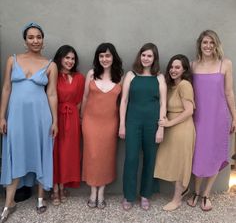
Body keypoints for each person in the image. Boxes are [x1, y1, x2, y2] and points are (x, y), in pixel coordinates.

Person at [0, 22, 58, 223]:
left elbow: (51, 94)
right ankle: (9, 202)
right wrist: (1, 116)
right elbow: (6, 88)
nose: (35, 40)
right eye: (31, 37)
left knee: (41, 151)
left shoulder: (51, 65)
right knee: (15, 153)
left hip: (41, 117)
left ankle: (41, 198)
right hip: (16, 116)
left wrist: (55, 121)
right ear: (25, 40)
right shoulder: (12, 60)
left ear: (43, 39)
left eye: (39, 37)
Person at [187, 30, 236, 211]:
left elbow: (229, 92)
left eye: (211, 43)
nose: (208, 46)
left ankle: (206, 194)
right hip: (198, 117)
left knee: (214, 154)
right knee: (198, 155)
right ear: (200, 45)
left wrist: (235, 116)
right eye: (205, 42)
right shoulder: (193, 65)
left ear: (216, 45)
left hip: (218, 117)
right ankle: (196, 191)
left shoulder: (225, 64)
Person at [119, 43, 166, 211]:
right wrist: (122, 124)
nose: (146, 58)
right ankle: (129, 195)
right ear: (140, 56)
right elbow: (124, 101)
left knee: (150, 158)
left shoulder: (159, 77)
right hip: (133, 122)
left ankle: (145, 194)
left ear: (154, 59)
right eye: (144, 55)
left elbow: (163, 104)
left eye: (150, 56)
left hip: (152, 124)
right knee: (131, 158)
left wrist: (161, 128)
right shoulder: (131, 75)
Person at [81, 43, 123, 209]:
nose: (105, 59)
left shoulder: (120, 77)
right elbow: (85, 98)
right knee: (92, 155)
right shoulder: (91, 74)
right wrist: (81, 118)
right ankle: (92, 191)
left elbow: (123, 102)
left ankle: (101, 193)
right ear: (97, 58)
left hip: (110, 123)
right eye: (101, 56)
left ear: (113, 57)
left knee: (106, 156)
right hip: (90, 122)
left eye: (108, 56)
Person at [154, 54, 195, 211]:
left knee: (179, 164)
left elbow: (189, 111)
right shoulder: (170, 85)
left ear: (184, 69)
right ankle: (183, 190)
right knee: (166, 161)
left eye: (177, 67)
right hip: (171, 129)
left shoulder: (184, 85)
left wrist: (168, 123)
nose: (173, 70)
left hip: (182, 128)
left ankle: (177, 199)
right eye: (171, 67)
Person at [52, 45, 85, 205]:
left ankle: (63, 184)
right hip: (55, 116)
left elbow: (79, 102)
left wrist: (77, 121)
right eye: (67, 58)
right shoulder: (53, 74)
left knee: (67, 153)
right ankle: (55, 188)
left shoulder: (79, 78)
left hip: (72, 119)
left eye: (72, 58)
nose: (70, 61)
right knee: (55, 151)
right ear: (60, 58)